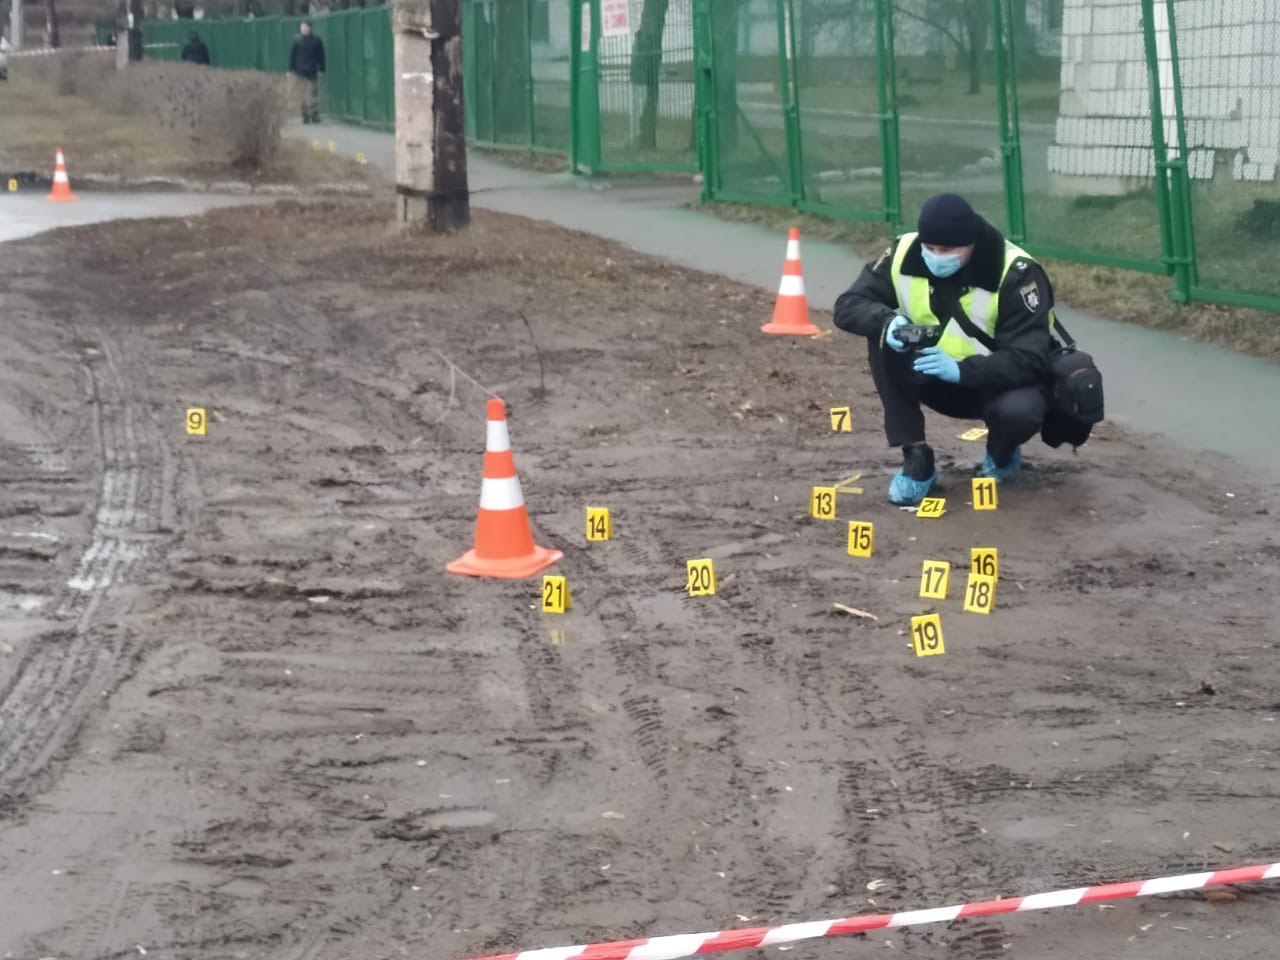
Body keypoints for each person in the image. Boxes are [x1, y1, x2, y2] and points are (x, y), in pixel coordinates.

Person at [834, 193, 1059, 506]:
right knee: (882, 337)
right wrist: (887, 322)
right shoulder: (903, 253)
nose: (937, 256)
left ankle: (1001, 450)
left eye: (949, 249)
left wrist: (962, 370)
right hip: (931, 377)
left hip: (997, 386)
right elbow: (847, 306)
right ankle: (916, 458)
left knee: (1020, 411)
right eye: (930, 248)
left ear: (972, 244)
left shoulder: (1017, 273)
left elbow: (1031, 358)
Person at [288, 21, 326, 124]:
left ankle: (314, 115)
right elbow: (292, 55)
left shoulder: (316, 40)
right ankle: (305, 116)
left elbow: (321, 55)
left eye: (305, 27)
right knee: (301, 94)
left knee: (313, 92)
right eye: (302, 27)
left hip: (312, 70)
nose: (303, 29)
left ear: (310, 28)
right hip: (299, 71)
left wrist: (322, 69)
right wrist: (290, 70)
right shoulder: (297, 40)